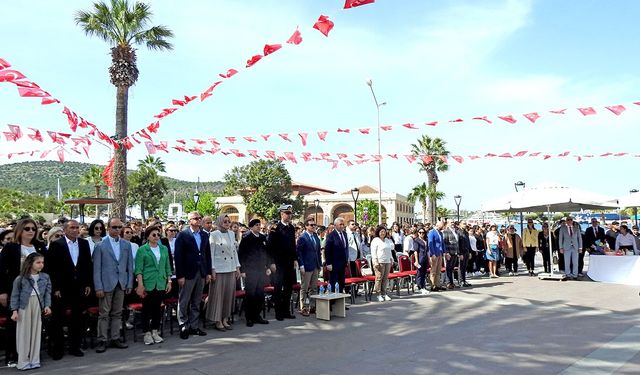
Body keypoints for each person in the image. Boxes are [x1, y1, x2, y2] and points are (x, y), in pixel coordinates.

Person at [0, 218, 46, 367]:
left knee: (35, 325)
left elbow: (47, 269)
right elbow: (1, 271)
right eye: (27, 228)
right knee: (15, 325)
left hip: (37, 292)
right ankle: (13, 356)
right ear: (20, 230)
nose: (31, 231)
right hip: (16, 292)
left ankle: (32, 356)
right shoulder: (11, 248)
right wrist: (2, 292)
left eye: (33, 228)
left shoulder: (39, 246)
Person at [45, 219, 93, 359]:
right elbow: (51, 268)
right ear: (65, 230)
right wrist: (56, 288)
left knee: (77, 319)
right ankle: (58, 349)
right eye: (72, 227)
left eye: (77, 227)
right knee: (58, 319)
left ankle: (74, 347)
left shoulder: (84, 244)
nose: (75, 230)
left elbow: (87, 265)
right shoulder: (56, 245)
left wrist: (88, 284)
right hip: (62, 288)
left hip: (79, 288)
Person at [92, 218, 133, 353]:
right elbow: (96, 268)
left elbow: (129, 266)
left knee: (117, 313)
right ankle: (102, 339)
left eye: (119, 227)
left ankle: (115, 337)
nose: (117, 230)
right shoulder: (100, 245)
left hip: (121, 283)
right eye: (114, 227)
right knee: (104, 314)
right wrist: (98, 287)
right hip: (106, 284)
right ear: (108, 228)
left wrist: (129, 283)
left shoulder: (126, 245)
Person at [10, 252, 51, 370]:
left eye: (42, 262)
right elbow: (15, 295)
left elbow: (47, 293)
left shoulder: (45, 277)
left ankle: (35, 360)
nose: (41, 265)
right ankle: (23, 361)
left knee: (36, 332)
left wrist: (47, 306)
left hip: (38, 305)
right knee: (24, 333)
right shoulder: (21, 278)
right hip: (24, 306)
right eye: (38, 262)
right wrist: (14, 311)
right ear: (30, 263)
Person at [174, 211, 212, 339]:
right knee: (184, 300)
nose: (199, 220)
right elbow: (178, 257)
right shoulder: (183, 235)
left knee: (196, 301)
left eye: (200, 218)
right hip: (187, 273)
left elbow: (207, 255)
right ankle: (183, 325)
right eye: (196, 218)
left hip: (201, 272)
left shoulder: (204, 235)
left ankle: (194, 326)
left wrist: (208, 273)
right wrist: (180, 275)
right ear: (190, 220)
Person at [135, 226, 172, 345]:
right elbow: (139, 269)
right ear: (148, 236)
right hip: (148, 282)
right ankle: (146, 333)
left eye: (158, 235)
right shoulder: (142, 250)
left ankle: (155, 331)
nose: (156, 237)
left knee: (157, 308)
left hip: (161, 282)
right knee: (146, 309)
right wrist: (140, 284)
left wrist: (169, 281)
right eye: (154, 235)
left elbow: (167, 266)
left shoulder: (164, 249)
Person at [206, 214, 241, 331]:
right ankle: (217, 320)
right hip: (219, 269)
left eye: (228, 221)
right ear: (220, 222)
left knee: (228, 295)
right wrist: (213, 269)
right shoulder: (213, 234)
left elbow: (234, 252)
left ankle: (225, 318)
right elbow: (211, 253)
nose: (227, 223)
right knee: (218, 296)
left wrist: (237, 268)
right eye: (225, 221)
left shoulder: (231, 234)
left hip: (230, 268)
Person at [266, 204, 298, 321]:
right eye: (287, 213)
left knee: (288, 288)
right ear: (281, 214)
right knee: (278, 288)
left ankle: (286, 311)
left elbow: (293, 245)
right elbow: (269, 246)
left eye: (290, 213)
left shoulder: (291, 228)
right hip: (278, 263)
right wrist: (271, 262)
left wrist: (295, 259)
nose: (289, 215)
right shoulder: (275, 227)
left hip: (289, 262)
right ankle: (278, 312)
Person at [238, 219, 270, 327]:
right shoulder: (246, 238)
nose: (258, 227)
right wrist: (242, 270)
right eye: (256, 225)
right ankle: (249, 317)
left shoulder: (262, 237)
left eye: (259, 225)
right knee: (250, 294)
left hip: (261, 270)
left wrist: (268, 266)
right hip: (250, 270)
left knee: (260, 294)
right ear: (251, 227)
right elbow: (241, 255)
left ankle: (257, 315)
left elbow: (266, 253)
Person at [296, 218, 322, 316]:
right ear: (306, 226)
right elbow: (299, 253)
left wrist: (319, 264)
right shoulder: (302, 237)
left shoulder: (315, 237)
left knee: (314, 288)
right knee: (304, 288)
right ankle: (304, 307)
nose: (314, 226)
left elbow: (318, 252)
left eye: (315, 225)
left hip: (315, 265)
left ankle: (312, 306)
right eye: (311, 225)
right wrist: (301, 265)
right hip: (306, 266)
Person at [324, 217, 349, 294]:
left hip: (342, 263)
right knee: (334, 283)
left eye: (343, 224)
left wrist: (346, 259)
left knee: (341, 283)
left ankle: (340, 303)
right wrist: (328, 263)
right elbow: (327, 250)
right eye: (340, 224)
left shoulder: (344, 234)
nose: (342, 226)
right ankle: (333, 302)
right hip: (334, 263)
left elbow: (345, 247)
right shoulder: (331, 236)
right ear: (335, 225)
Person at [370, 225, 394, 302]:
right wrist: (375, 261)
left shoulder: (387, 240)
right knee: (379, 278)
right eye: (381, 231)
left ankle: (384, 293)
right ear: (378, 232)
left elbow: (389, 250)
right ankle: (378, 294)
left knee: (385, 278)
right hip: (379, 261)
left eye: (384, 231)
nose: (383, 233)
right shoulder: (375, 240)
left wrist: (391, 259)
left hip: (387, 261)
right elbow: (373, 252)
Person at [428, 221, 445, 291]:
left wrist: (444, 252)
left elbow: (442, 243)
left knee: (438, 270)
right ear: (438, 225)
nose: (443, 227)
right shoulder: (432, 232)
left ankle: (438, 284)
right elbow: (430, 243)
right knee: (433, 270)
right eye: (442, 226)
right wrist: (432, 254)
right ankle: (433, 285)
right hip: (434, 253)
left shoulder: (440, 233)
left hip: (440, 253)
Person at [442, 221, 459, 289]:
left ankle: (451, 282)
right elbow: (445, 243)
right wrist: (447, 253)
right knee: (448, 268)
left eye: (453, 222)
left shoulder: (455, 231)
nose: (452, 223)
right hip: (450, 252)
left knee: (451, 268)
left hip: (455, 252)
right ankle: (448, 283)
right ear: (448, 224)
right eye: (451, 222)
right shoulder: (446, 231)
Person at [413, 227, 430, 295]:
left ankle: (423, 286)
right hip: (420, 258)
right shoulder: (416, 240)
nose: (421, 234)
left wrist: (429, 259)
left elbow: (428, 250)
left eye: (423, 232)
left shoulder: (426, 240)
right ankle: (419, 287)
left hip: (425, 258)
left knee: (424, 273)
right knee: (419, 273)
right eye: (420, 232)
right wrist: (416, 261)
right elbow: (416, 251)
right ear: (418, 233)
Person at [456, 222, 472, 287]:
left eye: (465, 224)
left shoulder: (466, 232)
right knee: (461, 267)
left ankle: (464, 280)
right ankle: (460, 281)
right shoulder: (458, 232)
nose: (465, 225)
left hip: (466, 252)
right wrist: (460, 253)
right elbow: (458, 244)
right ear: (460, 225)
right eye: (463, 224)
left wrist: (470, 252)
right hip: (461, 252)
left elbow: (468, 243)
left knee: (464, 267)